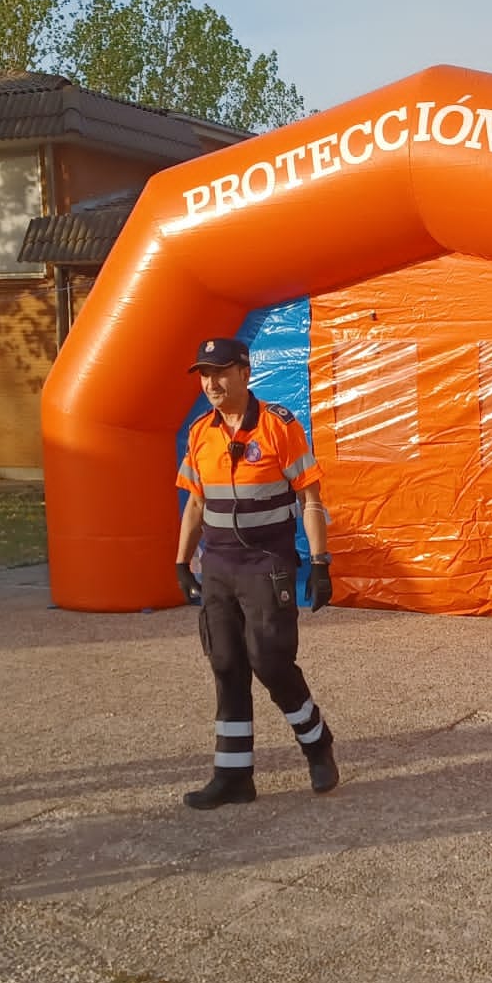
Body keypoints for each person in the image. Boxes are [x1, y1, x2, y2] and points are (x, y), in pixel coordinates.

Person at [174, 336, 338, 808]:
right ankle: (233, 777)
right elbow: (195, 503)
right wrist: (182, 562)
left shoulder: (279, 426)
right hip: (219, 567)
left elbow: (310, 498)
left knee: (269, 663)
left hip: (267, 565)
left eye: (221, 372)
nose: (212, 383)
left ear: (245, 373)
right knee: (225, 666)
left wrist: (321, 563)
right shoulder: (201, 431)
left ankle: (317, 743)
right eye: (205, 374)